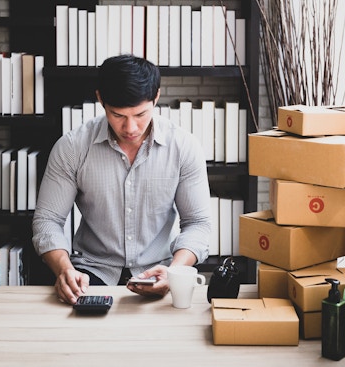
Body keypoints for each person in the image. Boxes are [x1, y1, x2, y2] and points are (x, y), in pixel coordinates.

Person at [32, 54, 211, 305]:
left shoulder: (183, 147)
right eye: (118, 115)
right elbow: (48, 220)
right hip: (91, 272)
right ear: (100, 100)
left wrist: (175, 271)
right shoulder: (72, 147)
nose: (130, 128)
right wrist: (64, 269)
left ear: (156, 97)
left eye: (140, 114)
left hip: (160, 272)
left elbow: (198, 223)